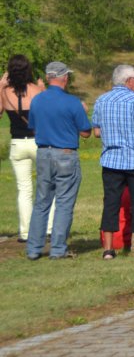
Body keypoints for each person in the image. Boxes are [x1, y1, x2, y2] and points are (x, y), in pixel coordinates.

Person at [26, 62, 92, 260]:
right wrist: (82, 112)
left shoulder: (37, 100)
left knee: (41, 202)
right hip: (65, 153)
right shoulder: (72, 102)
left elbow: (34, 128)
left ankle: (33, 248)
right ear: (65, 78)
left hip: (43, 153)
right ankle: (57, 249)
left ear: (48, 77)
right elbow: (86, 132)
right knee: (64, 202)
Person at [92, 64, 134, 260]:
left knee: (111, 203)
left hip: (111, 161)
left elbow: (97, 132)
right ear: (129, 81)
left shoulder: (101, 100)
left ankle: (108, 249)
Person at [0, 55, 52, 243]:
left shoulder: (5, 92)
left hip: (17, 143)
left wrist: (0, 86)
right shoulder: (36, 90)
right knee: (47, 185)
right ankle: (49, 228)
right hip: (38, 142)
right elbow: (48, 112)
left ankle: (25, 232)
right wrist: (43, 88)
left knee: (24, 190)